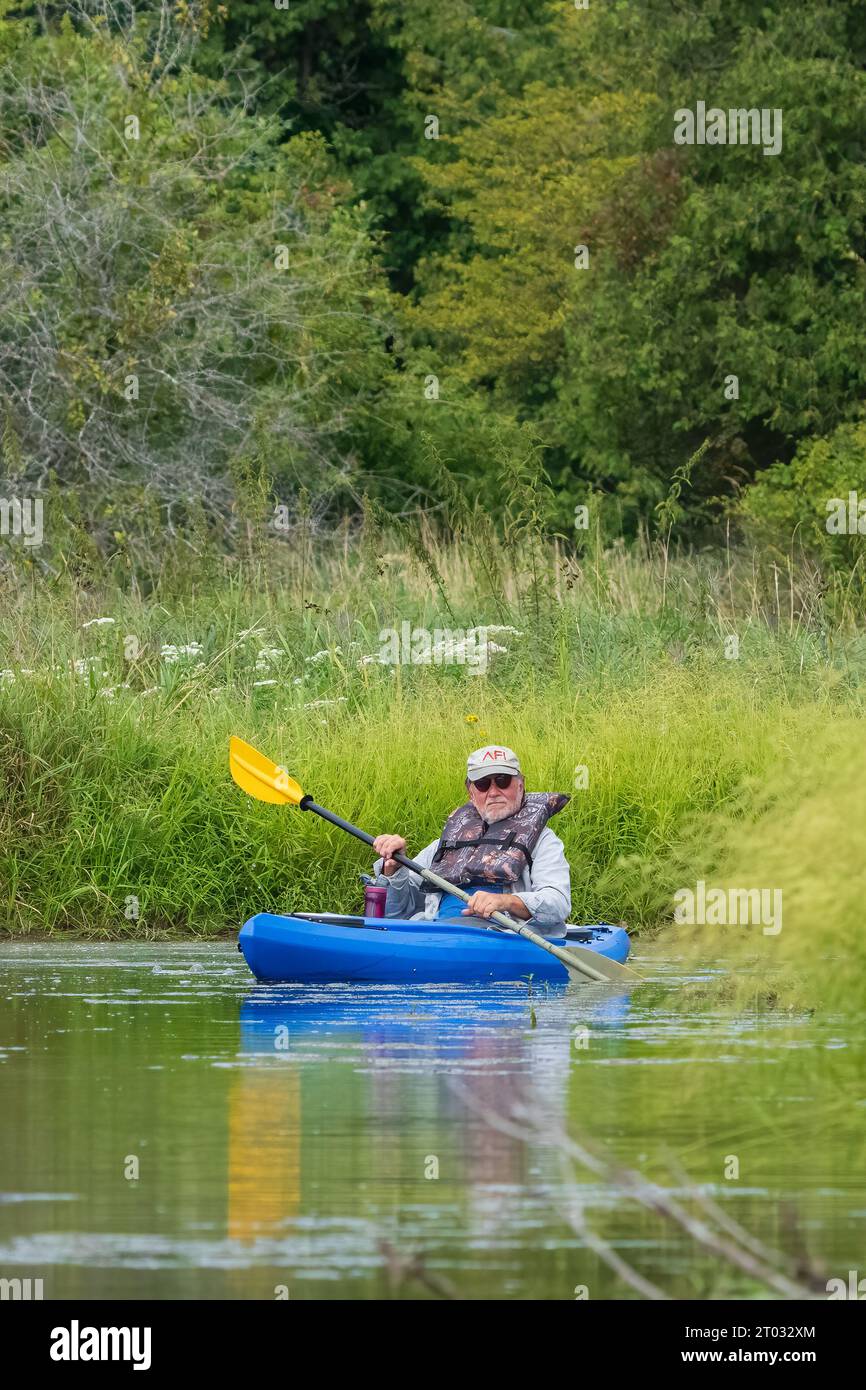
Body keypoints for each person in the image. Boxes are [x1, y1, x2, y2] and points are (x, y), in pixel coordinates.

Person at [372, 745, 571, 935]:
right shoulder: (447, 841)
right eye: (483, 784)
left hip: (500, 937)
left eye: (502, 781)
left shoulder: (544, 841)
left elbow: (558, 902)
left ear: (520, 785)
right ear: (471, 792)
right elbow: (395, 913)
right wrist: (394, 869)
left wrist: (505, 901)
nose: (493, 792)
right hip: (437, 933)